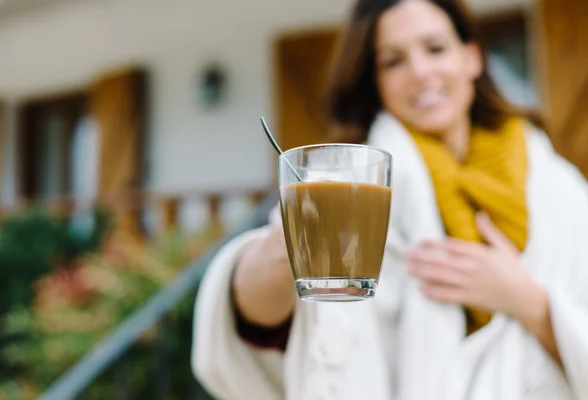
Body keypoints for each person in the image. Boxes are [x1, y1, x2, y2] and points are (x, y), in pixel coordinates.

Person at [191, 0, 588, 399]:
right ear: (375, 80)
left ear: (471, 58)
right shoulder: (354, 187)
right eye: (393, 61)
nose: (420, 73)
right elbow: (256, 325)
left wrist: (528, 302)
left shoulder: (558, 186)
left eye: (435, 49)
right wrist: (284, 248)